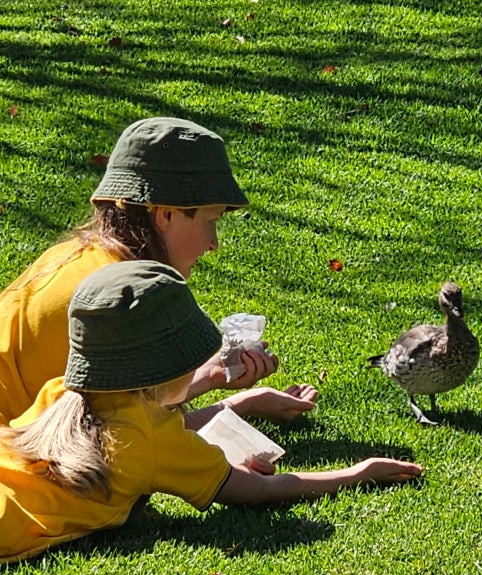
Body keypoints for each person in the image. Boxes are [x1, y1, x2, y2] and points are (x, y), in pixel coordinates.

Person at [0, 261, 422, 564]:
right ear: (162, 365)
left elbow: (151, 418)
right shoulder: (147, 440)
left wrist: (239, 401)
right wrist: (357, 473)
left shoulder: (61, 393)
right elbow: (256, 491)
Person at [0, 116, 317, 429]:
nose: (213, 243)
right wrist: (239, 405)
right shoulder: (120, 301)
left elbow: (117, 417)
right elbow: (125, 446)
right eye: (211, 221)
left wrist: (215, 379)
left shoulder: (74, 258)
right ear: (166, 215)